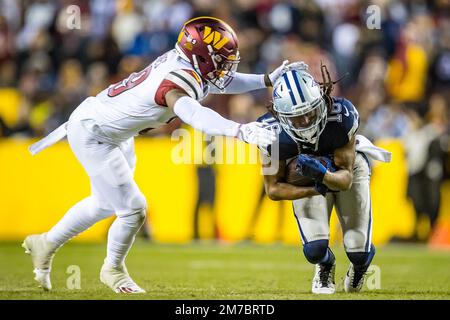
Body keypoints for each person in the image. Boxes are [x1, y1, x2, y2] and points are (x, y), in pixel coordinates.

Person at [23, 16, 299, 294]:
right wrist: (240, 130)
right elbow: (193, 114)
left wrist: (266, 80)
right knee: (132, 209)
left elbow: (222, 83)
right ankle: (113, 270)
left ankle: (45, 244)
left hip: (112, 130)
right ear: (202, 57)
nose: (226, 67)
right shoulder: (178, 79)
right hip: (95, 132)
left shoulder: (189, 64)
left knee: (105, 204)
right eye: (221, 60)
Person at [258, 64, 391, 294]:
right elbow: (273, 190)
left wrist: (322, 175)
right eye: (297, 117)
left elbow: (346, 178)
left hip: (346, 170)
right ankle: (325, 265)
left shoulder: (341, 117)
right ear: (281, 115)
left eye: (310, 111)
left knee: (358, 251)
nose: (307, 120)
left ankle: (359, 268)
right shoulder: (269, 132)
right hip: (311, 179)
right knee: (315, 249)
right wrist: (313, 186)